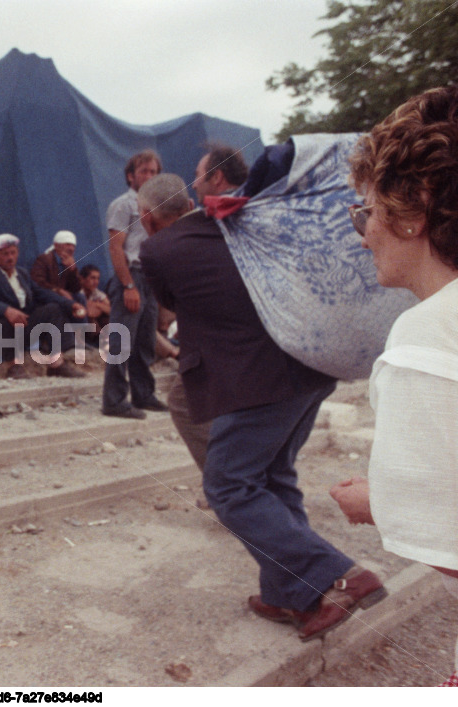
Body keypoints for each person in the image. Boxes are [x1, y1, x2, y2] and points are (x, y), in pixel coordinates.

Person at [140, 173, 385, 642]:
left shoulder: (158, 249)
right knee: (273, 478)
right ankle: (287, 593)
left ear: (148, 218)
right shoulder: (238, 224)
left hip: (256, 380)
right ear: (191, 200)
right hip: (308, 366)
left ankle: (339, 578)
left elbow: (171, 302)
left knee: (228, 486)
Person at [328, 85, 458, 686]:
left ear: (414, 209)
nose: (363, 233)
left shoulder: (425, 336)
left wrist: (381, 503)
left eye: (368, 211)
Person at [102, 149, 166, 420]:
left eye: (154, 172)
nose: (150, 176)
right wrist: (128, 285)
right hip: (131, 274)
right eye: (144, 171)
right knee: (121, 339)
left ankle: (143, 393)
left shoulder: (157, 206)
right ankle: (114, 400)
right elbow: (116, 248)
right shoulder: (123, 205)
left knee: (146, 339)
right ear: (131, 176)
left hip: (150, 276)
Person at [0, 233, 86, 379]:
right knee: (1, 323)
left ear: (18, 253)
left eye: (13, 252)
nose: (10, 257)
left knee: (54, 309)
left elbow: (41, 293)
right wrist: (6, 310)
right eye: (5, 254)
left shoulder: (22, 274)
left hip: (21, 329)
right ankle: (14, 366)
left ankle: (56, 365)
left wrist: (71, 304)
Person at [30, 230, 84, 305]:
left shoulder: (68, 262)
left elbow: (76, 289)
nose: (71, 248)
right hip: (48, 297)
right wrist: (58, 291)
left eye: (73, 246)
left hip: (63, 298)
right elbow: (37, 282)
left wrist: (73, 269)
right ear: (56, 245)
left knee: (80, 297)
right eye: (68, 244)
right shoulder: (44, 259)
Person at [79, 264, 110, 343]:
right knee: (90, 319)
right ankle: (101, 340)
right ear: (82, 279)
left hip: (92, 325)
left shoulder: (96, 292)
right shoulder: (77, 292)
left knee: (106, 318)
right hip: (77, 325)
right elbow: (89, 312)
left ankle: (107, 340)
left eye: (98, 278)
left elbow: (111, 310)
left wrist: (97, 305)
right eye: (92, 278)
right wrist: (100, 307)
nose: (96, 282)